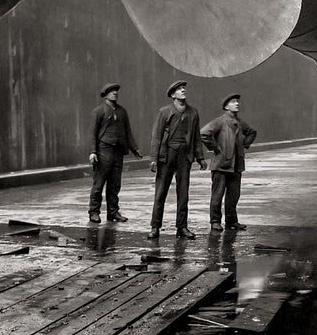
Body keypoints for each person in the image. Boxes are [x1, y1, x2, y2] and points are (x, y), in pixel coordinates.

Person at [149, 80, 204, 241]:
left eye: (184, 88)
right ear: (173, 95)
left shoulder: (193, 112)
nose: (183, 90)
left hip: (184, 157)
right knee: (160, 193)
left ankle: (182, 227)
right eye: (179, 89)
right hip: (167, 156)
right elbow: (156, 136)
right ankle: (155, 227)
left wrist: (200, 157)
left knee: (183, 193)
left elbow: (196, 137)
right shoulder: (165, 112)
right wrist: (154, 158)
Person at [201, 93, 258, 234]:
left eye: (237, 101)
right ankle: (215, 222)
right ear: (226, 107)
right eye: (233, 102)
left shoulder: (240, 122)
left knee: (234, 195)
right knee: (217, 195)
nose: (237, 104)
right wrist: (215, 148)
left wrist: (245, 144)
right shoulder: (219, 122)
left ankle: (231, 221)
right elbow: (204, 133)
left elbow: (252, 132)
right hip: (221, 164)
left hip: (236, 165)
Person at [87, 82, 140, 225]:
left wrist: (135, 149)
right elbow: (92, 133)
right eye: (111, 91)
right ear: (105, 95)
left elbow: (128, 132)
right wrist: (93, 152)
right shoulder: (98, 111)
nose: (115, 93)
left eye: (116, 91)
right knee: (99, 184)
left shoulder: (122, 112)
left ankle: (113, 212)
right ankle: (94, 212)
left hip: (118, 152)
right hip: (103, 151)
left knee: (115, 184)